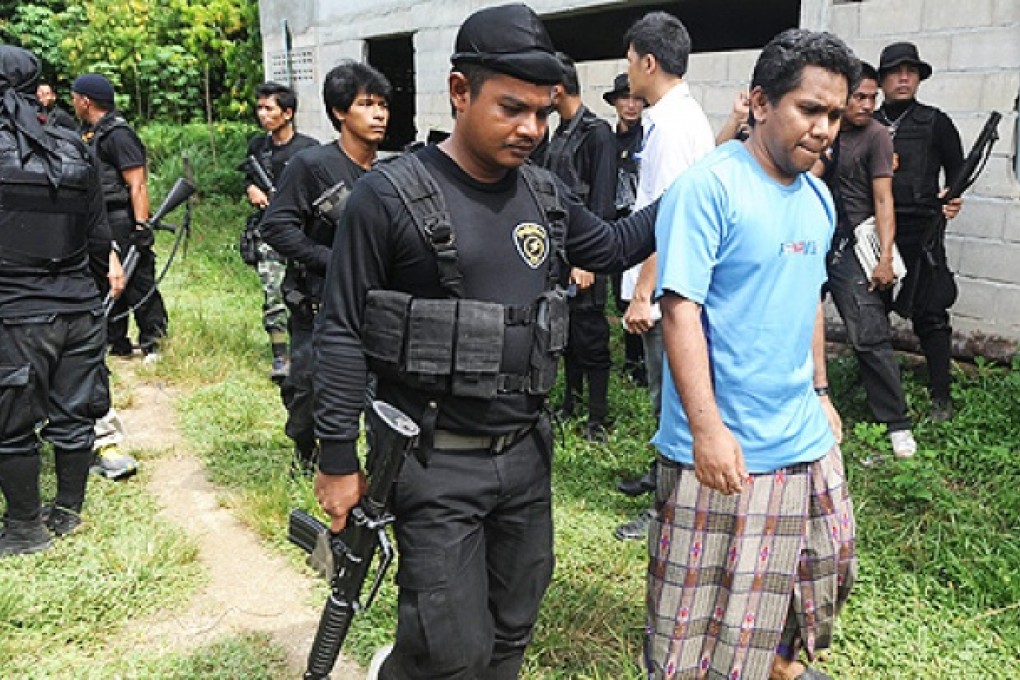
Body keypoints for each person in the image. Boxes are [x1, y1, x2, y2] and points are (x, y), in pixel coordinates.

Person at [311, 4, 657, 678]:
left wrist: (712, 180)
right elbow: (343, 329)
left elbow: (615, 244)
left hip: (525, 456)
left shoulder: (545, 193)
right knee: (453, 650)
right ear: (460, 92)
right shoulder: (388, 197)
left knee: (512, 628)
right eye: (512, 108)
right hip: (435, 463)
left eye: (542, 111)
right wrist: (334, 458)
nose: (531, 128)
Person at [646, 29, 858, 680]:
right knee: (699, 618)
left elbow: (806, 301)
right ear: (762, 103)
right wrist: (707, 429)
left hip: (800, 432)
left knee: (827, 563)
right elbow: (680, 310)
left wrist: (821, 393)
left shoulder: (817, 199)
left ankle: (778, 663)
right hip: (723, 447)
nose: (824, 129)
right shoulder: (708, 189)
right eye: (809, 110)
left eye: (835, 116)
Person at [0, 45, 124, 555]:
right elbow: (98, 237)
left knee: (12, 429)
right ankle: (68, 513)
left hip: (16, 314)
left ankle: (26, 528)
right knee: (74, 417)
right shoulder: (74, 145)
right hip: (79, 309)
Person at [259, 61, 390, 475]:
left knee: (376, 395)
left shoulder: (391, 173)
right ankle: (305, 451)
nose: (379, 114)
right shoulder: (312, 166)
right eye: (366, 104)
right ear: (339, 112)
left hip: (373, 309)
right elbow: (276, 226)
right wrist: (333, 261)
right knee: (308, 396)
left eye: (383, 105)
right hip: (318, 305)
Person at [614, 11, 715, 541]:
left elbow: (668, 216)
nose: (627, 70)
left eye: (630, 59)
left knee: (670, 401)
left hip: (665, 288)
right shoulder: (676, 118)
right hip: (666, 283)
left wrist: (644, 293)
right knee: (666, 395)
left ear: (648, 61)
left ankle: (669, 509)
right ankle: (661, 480)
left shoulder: (672, 127)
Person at [821, 61, 916, 458]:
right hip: (814, 236)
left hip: (854, 243)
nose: (866, 104)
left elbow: (884, 199)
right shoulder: (824, 126)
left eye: (871, 97)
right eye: (858, 96)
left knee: (868, 333)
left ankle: (896, 423)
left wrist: (884, 259)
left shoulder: (876, 135)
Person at [874, 42, 964, 422]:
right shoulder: (868, 121)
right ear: (882, 80)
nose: (904, 78)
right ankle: (878, 394)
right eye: (896, 71)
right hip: (875, 230)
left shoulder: (935, 121)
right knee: (873, 313)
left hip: (922, 228)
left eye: (911, 71)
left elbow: (959, 168)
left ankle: (940, 397)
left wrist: (951, 197)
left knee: (930, 313)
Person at [541, 52, 617, 442]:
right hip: (561, 254)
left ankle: (598, 420)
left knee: (591, 337)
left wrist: (588, 260)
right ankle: (571, 403)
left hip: (585, 255)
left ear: (557, 89)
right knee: (566, 334)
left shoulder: (596, 133)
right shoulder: (559, 131)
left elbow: (602, 203)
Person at [72, 73, 167, 361]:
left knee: (137, 278)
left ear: (86, 101)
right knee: (106, 278)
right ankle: (116, 340)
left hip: (121, 217)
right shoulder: (92, 133)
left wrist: (140, 225)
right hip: (100, 219)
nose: (73, 103)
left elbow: (137, 183)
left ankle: (154, 341)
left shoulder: (118, 134)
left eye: (75, 98)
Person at [242, 82, 318, 382]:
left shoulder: (309, 150)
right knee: (272, 294)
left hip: (302, 234)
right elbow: (247, 179)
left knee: (305, 295)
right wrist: (251, 189)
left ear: (287, 113)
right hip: (269, 234)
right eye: (259, 108)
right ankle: (280, 357)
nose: (262, 114)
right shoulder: (257, 148)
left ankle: (309, 351)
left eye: (268, 108)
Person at [603, 72, 647, 388]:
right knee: (619, 294)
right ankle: (631, 359)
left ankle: (641, 362)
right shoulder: (606, 138)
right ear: (616, 103)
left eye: (636, 99)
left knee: (638, 291)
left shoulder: (647, 135)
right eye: (625, 99)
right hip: (614, 223)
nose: (630, 106)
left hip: (640, 221)